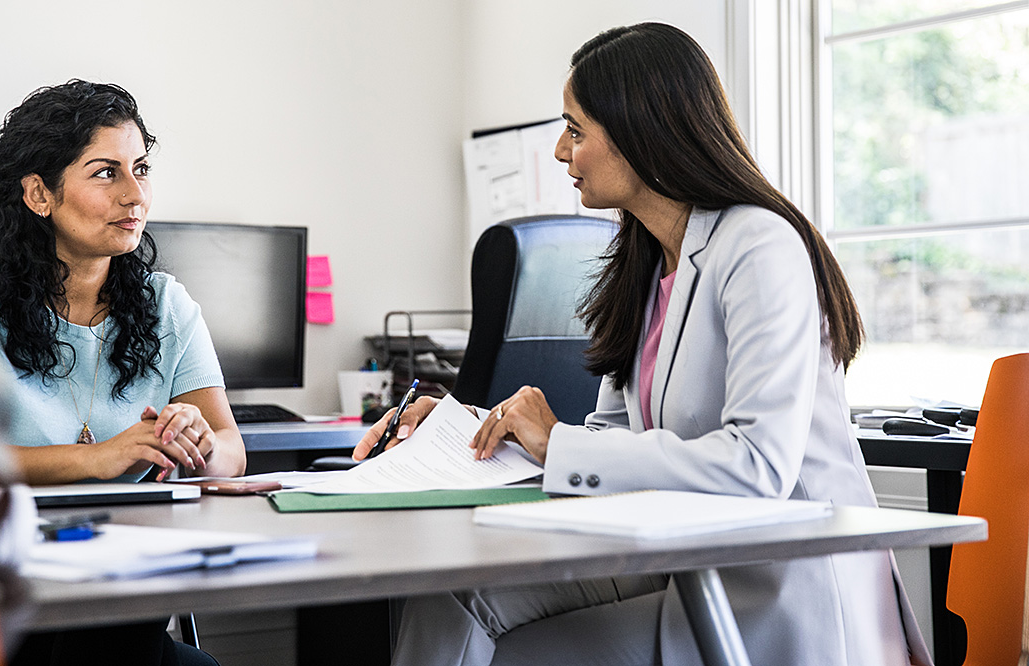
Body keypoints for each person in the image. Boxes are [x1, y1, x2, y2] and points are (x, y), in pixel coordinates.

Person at [352, 23, 931, 666]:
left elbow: (758, 466)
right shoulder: (646, 261)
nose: (558, 150)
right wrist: (460, 432)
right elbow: (609, 442)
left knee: (524, 655)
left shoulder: (759, 246)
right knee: (446, 595)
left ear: (639, 134)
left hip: (778, 586)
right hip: (681, 558)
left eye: (575, 129)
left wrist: (559, 442)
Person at [0, 79, 243, 665]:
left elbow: (230, 452)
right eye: (106, 172)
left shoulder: (167, 303)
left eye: (141, 169)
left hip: (129, 591)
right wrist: (102, 457)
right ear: (39, 194)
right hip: (4, 607)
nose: (135, 195)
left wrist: (194, 444)